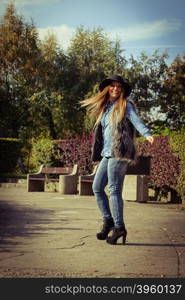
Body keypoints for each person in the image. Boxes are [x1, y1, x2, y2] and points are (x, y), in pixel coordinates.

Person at [80, 75, 154, 245]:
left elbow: (136, 120)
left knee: (113, 189)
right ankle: (109, 220)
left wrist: (147, 133)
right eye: (112, 86)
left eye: (119, 87)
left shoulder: (125, 105)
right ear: (107, 88)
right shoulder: (105, 107)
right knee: (97, 187)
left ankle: (119, 227)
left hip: (119, 152)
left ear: (122, 90)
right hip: (107, 153)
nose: (115, 89)